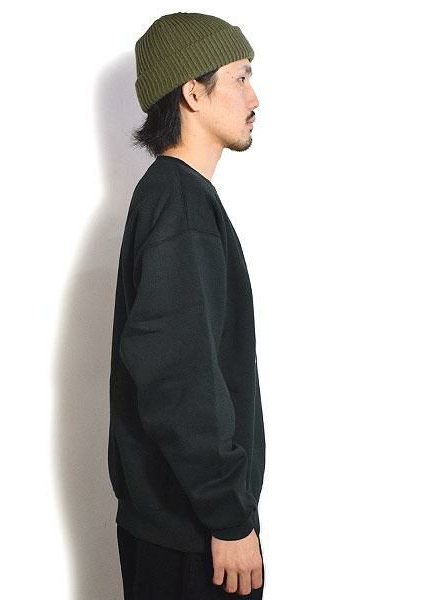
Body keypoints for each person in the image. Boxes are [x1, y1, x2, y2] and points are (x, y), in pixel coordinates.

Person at [108, 11, 266, 598]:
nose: (254, 97)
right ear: (192, 93)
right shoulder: (179, 203)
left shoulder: (173, 196)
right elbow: (179, 377)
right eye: (240, 78)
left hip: (180, 526)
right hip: (194, 536)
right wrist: (229, 517)